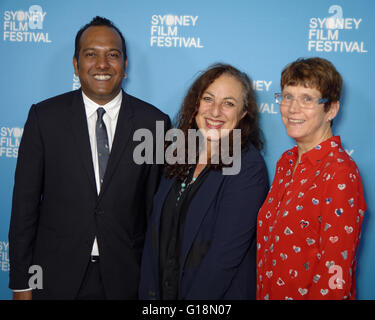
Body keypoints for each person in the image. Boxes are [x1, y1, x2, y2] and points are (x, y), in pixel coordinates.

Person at [8, 16, 170, 300]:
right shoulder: (44, 118)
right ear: (75, 64)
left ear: (125, 66)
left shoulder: (154, 123)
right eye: (91, 54)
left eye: (113, 55)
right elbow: (24, 209)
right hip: (54, 279)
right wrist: (22, 283)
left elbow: (155, 212)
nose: (102, 64)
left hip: (127, 280)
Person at [139, 63, 269, 300]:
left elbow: (224, 258)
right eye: (208, 99)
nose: (215, 111)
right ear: (195, 104)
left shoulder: (248, 167)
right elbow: (155, 238)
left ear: (243, 113)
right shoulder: (178, 154)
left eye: (229, 103)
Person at [256, 57, 366, 300]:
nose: (293, 108)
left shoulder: (339, 172)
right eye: (287, 96)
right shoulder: (286, 162)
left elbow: (335, 271)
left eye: (307, 99)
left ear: (332, 110)